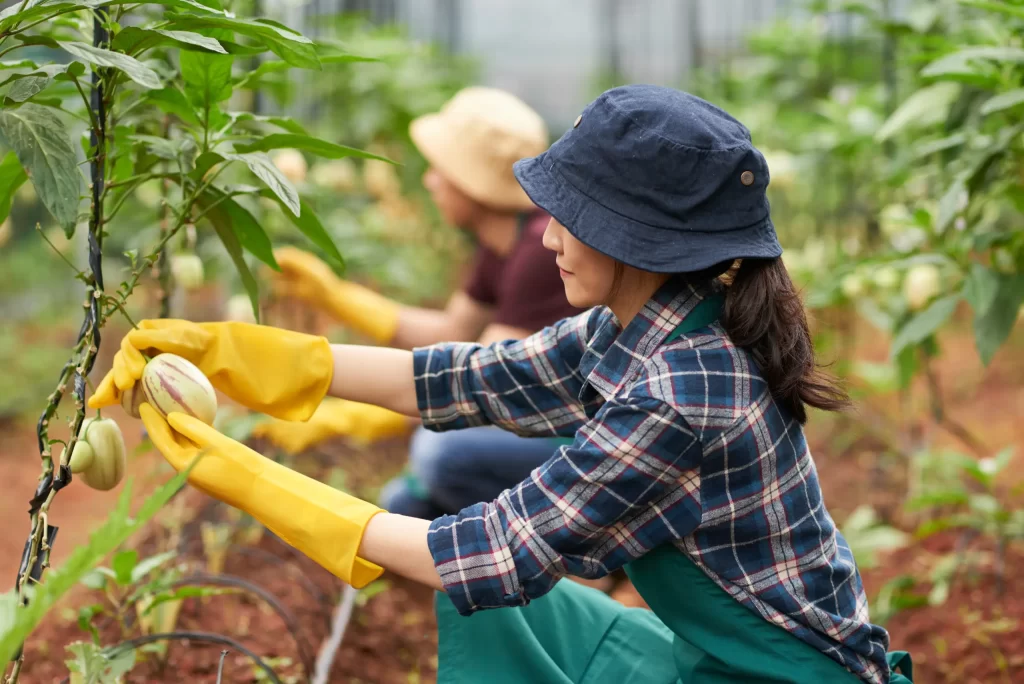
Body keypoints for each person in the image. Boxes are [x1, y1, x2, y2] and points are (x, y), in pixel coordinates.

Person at [91, 85, 913, 683]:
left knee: (490, 584)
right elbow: (461, 376)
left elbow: (482, 554)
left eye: (574, 217)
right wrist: (238, 352)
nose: (548, 235)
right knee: (519, 613)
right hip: (718, 655)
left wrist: (240, 473)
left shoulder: (680, 394)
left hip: (780, 676)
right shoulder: (644, 324)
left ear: (641, 241)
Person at [256, 86, 582, 519]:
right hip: (535, 429)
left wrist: (347, 418)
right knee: (405, 506)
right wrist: (335, 296)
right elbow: (449, 334)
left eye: (439, 169)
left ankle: (595, 565)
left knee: (441, 452)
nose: (429, 180)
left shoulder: (539, 250)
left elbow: (483, 383)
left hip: (577, 439)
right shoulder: (501, 245)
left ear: (471, 182)